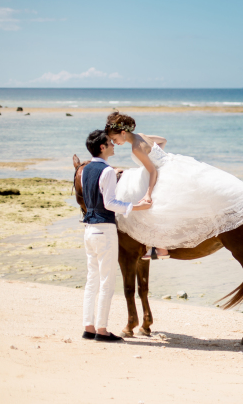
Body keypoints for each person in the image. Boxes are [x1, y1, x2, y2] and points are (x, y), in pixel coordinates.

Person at [104, 111, 243, 255]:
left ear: (123, 133)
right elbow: (163, 140)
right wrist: (157, 157)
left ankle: (161, 248)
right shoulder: (141, 136)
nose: (114, 143)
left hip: (161, 172)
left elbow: (153, 171)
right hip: (173, 163)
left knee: (155, 209)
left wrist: (148, 194)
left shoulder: (135, 148)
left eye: (114, 138)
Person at [81, 129, 151, 342]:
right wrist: (136, 207)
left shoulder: (85, 170)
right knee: (106, 282)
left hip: (89, 230)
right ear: (102, 147)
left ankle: (89, 327)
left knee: (92, 280)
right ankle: (102, 330)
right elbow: (110, 203)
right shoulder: (107, 171)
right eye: (110, 143)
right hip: (104, 230)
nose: (113, 145)